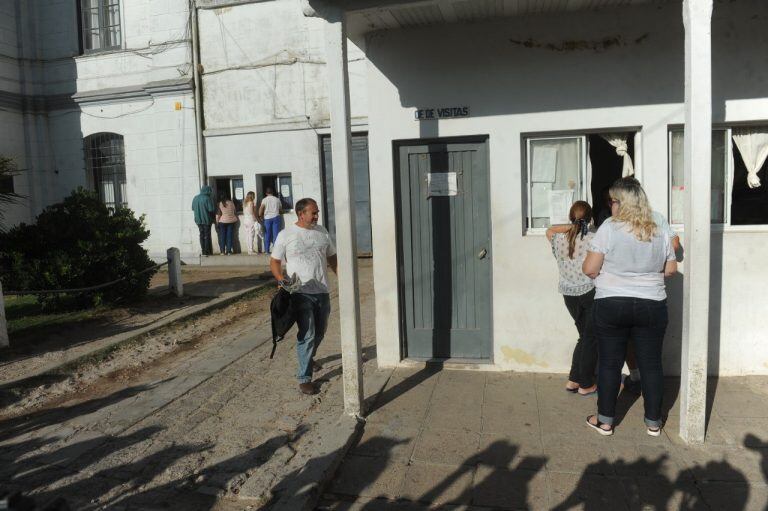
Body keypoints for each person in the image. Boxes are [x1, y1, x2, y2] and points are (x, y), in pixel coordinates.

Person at [582, 177, 677, 437]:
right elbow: (670, 269)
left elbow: (589, 269)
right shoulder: (658, 230)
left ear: (621, 204)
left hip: (612, 302)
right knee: (651, 364)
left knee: (610, 363)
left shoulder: (609, 228)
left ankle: (605, 421)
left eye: (612, 201)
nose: (610, 205)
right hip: (651, 304)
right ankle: (654, 422)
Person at [270, 198, 337, 395]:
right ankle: (304, 378)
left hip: (322, 291)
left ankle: (308, 358)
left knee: (320, 332)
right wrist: (282, 279)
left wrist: (343, 275)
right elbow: (274, 262)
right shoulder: (286, 235)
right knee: (307, 335)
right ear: (301, 214)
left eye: (317, 212)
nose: (317, 216)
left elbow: (331, 256)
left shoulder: (322, 232)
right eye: (313, 212)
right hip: (300, 293)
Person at [546, 201, 598, 396]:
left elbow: (550, 230)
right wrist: (582, 226)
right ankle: (585, 384)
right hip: (590, 291)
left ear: (570, 217)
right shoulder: (594, 237)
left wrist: (573, 225)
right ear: (590, 218)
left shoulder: (558, 239)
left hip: (568, 295)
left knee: (584, 336)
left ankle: (573, 380)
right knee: (590, 338)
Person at [191, 185, 215, 256]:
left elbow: (192, 208)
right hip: (206, 220)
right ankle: (207, 251)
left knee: (201, 235)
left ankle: (203, 250)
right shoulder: (207, 198)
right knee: (207, 235)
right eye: (210, 191)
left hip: (198, 220)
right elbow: (211, 209)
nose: (210, 192)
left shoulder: (195, 198)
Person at [259, 187, 283, 253]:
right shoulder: (277, 199)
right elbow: (281, 210)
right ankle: (276, 251)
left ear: (266, 193)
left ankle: (267, 250)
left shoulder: (264, 200)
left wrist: (260, 216)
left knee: (267, 235)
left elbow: (261, 209)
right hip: (276, 217)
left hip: (267, 218)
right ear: (272, 192)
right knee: (276, 234)